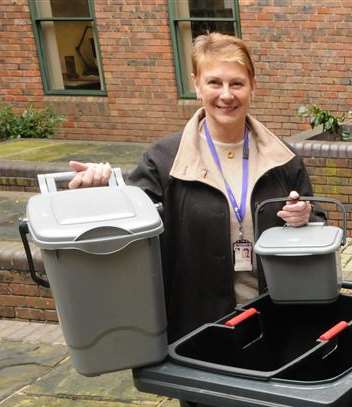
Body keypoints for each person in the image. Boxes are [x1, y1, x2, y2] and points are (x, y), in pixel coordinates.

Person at [68, 33, 314, 341]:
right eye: (214, 82)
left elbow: (317, 228)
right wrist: (103, 189)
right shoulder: (163, 161)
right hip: (196, 328)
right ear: (196, 84)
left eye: (237, 83)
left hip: (275, 322)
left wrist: (305, 218)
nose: (227, 95)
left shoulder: (284, 159)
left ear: (253, 86)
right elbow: (126, 231)